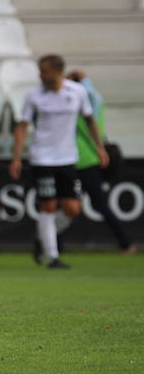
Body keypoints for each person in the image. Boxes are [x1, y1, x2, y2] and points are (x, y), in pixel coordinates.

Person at [8, 54, 107, 270]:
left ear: (56, 71)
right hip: (42, 157)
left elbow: (90, 119)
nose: (40, 75)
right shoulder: (34, 95)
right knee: (49, 205)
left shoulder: (77, 92)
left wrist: (100, 147)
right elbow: (22, 126)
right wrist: (16, 157)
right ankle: (52, 256)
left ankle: (43, 236)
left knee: (72, 209)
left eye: (43, 70)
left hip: (68, 157)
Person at [65, 69, 136, 255]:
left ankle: (54, 245)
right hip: (90, 158)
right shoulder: (97, 100)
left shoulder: (78, 103)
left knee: (67, 204)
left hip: (79, 159)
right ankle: (125, 243)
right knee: (95, 204)